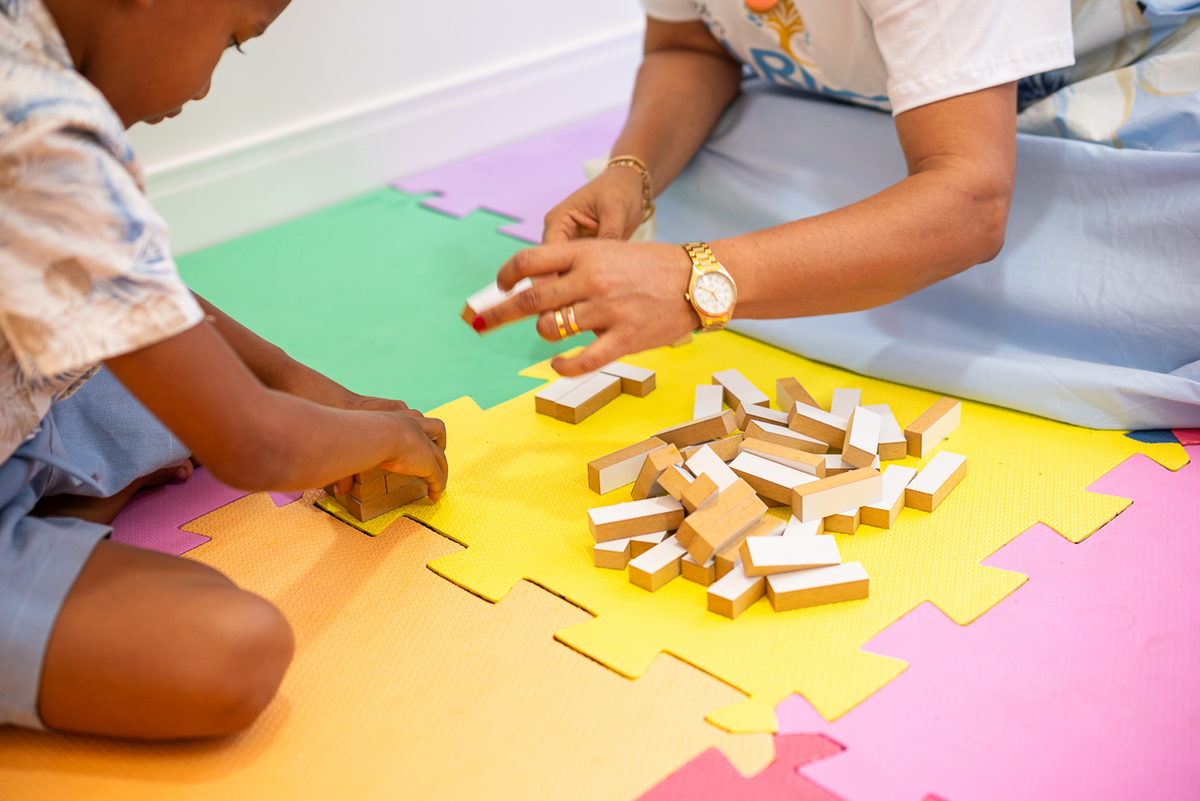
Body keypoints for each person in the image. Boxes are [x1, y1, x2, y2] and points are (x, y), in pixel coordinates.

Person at [0, 0, 448, 738]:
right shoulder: (44, 129)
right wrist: (390, 437)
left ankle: (71, 503)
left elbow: (120, 287)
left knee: (182, 394)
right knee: (232, 645)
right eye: (234, 40)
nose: (206, 87)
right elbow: (255, 447)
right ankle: (68, 513)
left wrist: (300, 382)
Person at [474, 0, 1200, 430]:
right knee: (732, 153)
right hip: (888, 106)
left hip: (1110, 90)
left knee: (1139, 269)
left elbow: (972, 204)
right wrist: (632, 172)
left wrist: (697, 281)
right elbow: (687, 46)